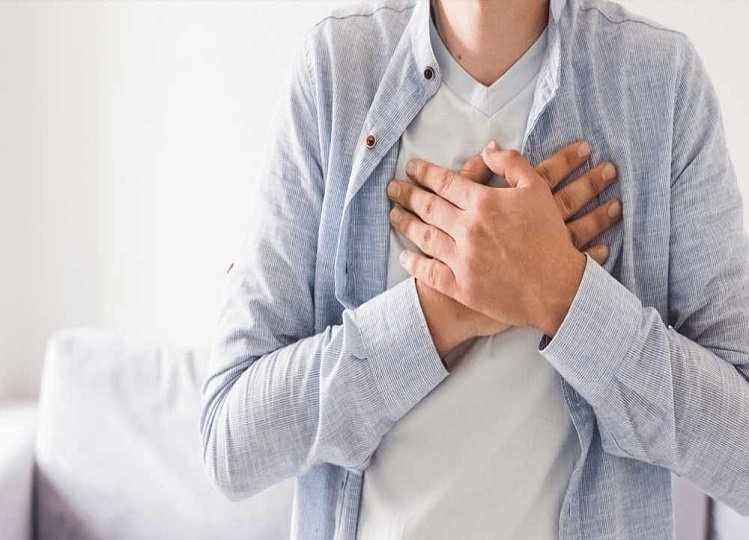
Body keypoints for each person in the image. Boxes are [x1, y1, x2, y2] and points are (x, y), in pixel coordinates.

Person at [199, 0, 749, 538]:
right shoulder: (336, 70)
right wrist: (440, 312)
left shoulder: (660, 80)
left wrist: (561, 294)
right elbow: (230, 443)